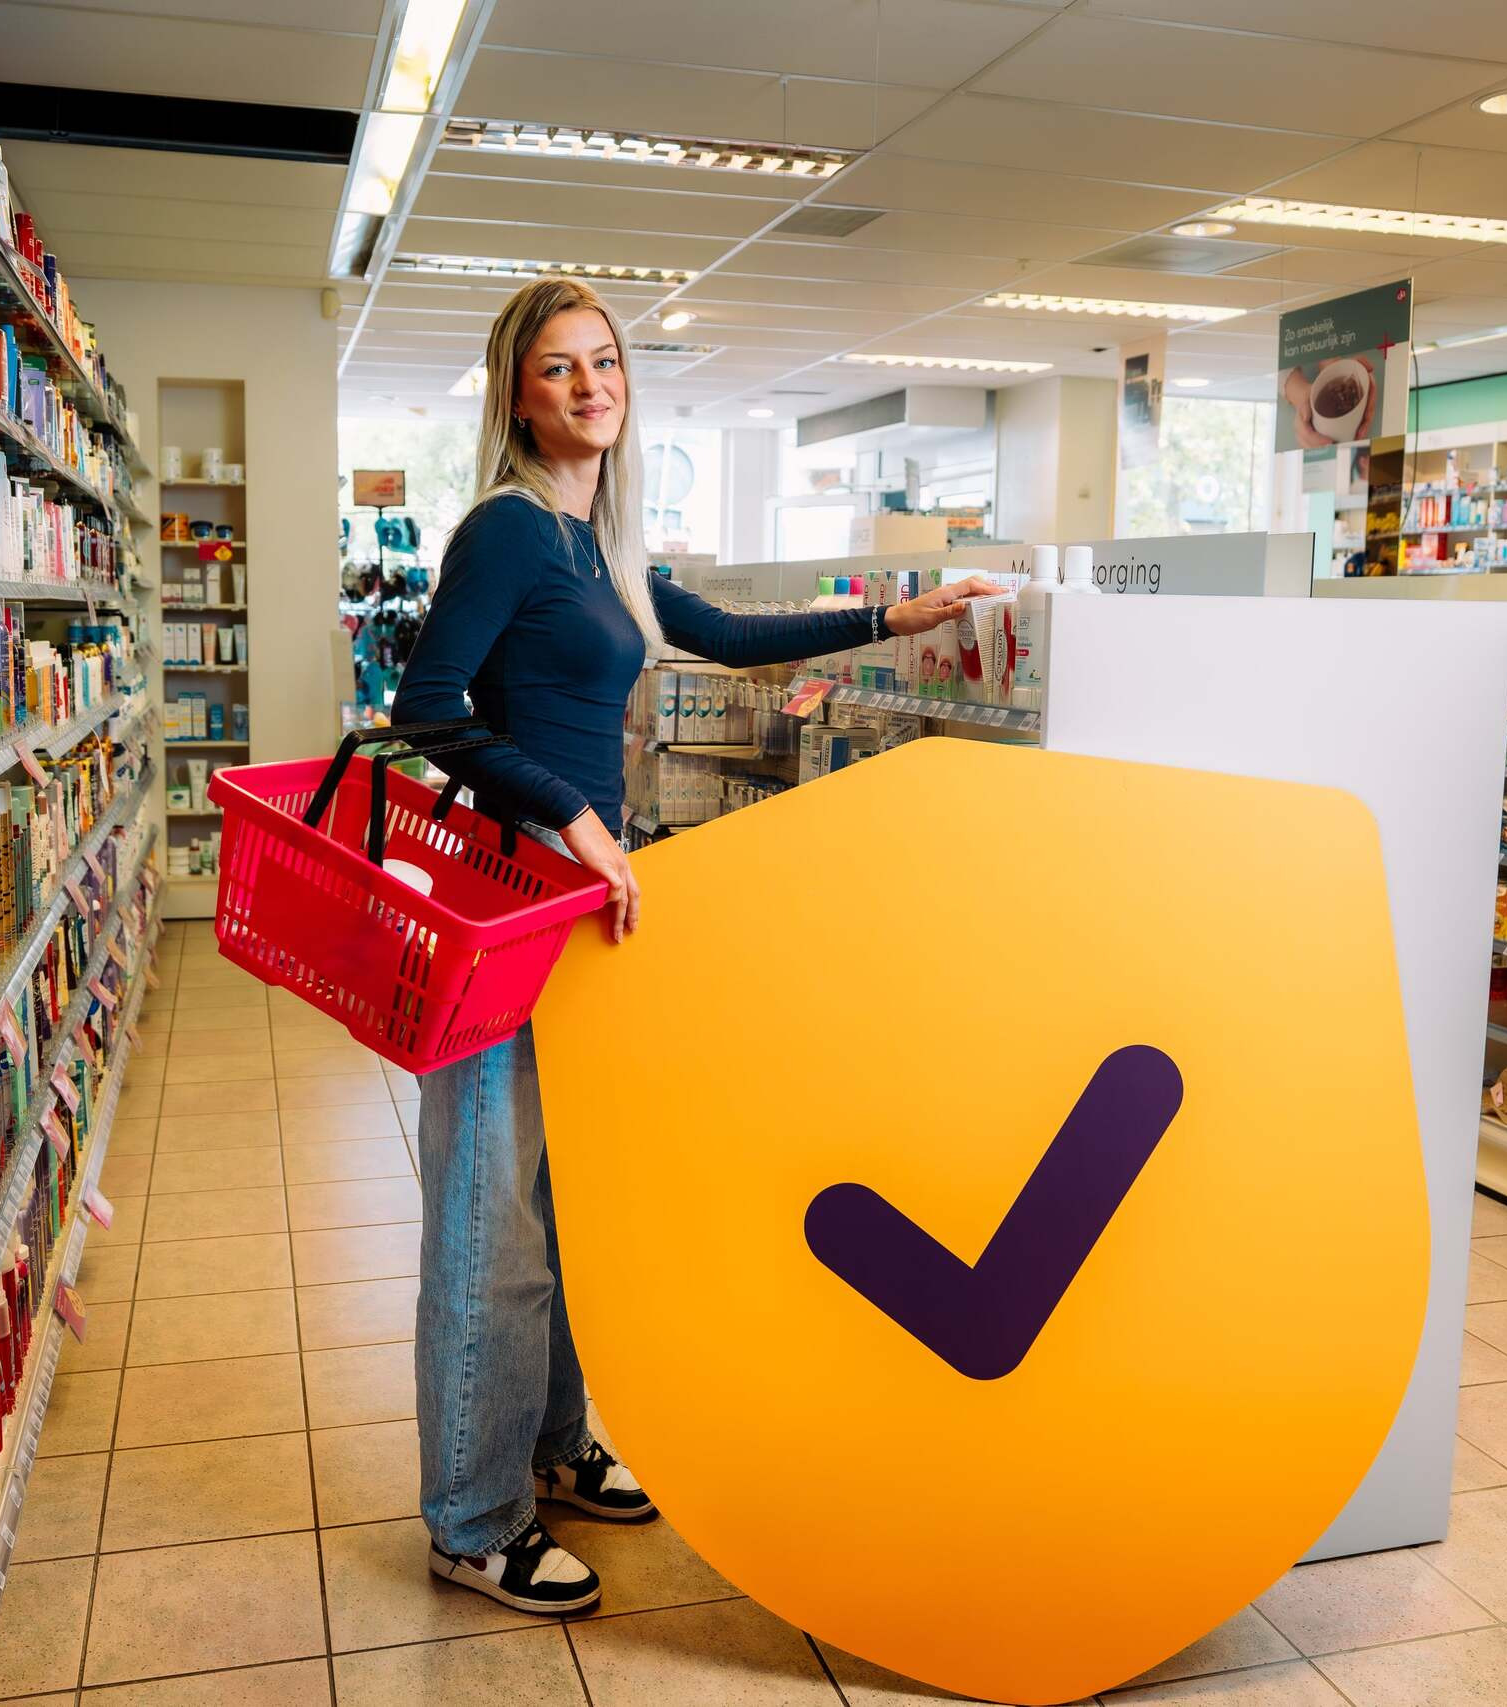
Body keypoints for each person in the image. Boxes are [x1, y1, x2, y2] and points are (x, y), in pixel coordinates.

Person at [390, 275, 1000, 1614]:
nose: (588, 385)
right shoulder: (503, 532)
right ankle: (471, 1517)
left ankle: (549, 1450)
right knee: (489, 1223)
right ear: (515, 394)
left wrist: (890, 619)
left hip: (564, 914)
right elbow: (425, 707)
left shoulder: (590, 541)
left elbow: (718, 630)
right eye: (557, 369)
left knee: (553, 1207)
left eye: (603, 362)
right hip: (502, 905)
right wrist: (575, 821)